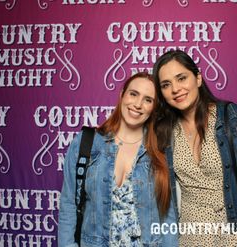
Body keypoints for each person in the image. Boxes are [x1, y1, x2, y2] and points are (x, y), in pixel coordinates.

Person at [153, 50, 237, 247]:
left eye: (181, 78)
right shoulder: (164, 131)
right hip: (191, 239)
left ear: (198, 78)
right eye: (166, 85)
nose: (175, 89)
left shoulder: (236, 118)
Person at [58, 72, 178, 247]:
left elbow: (168, 218)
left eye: (148, 100)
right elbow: (68, 203)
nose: (138, 104)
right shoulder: (86, 142)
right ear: (122, 95)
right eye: (133, 94)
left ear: (154, 108)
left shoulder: (160, 151)